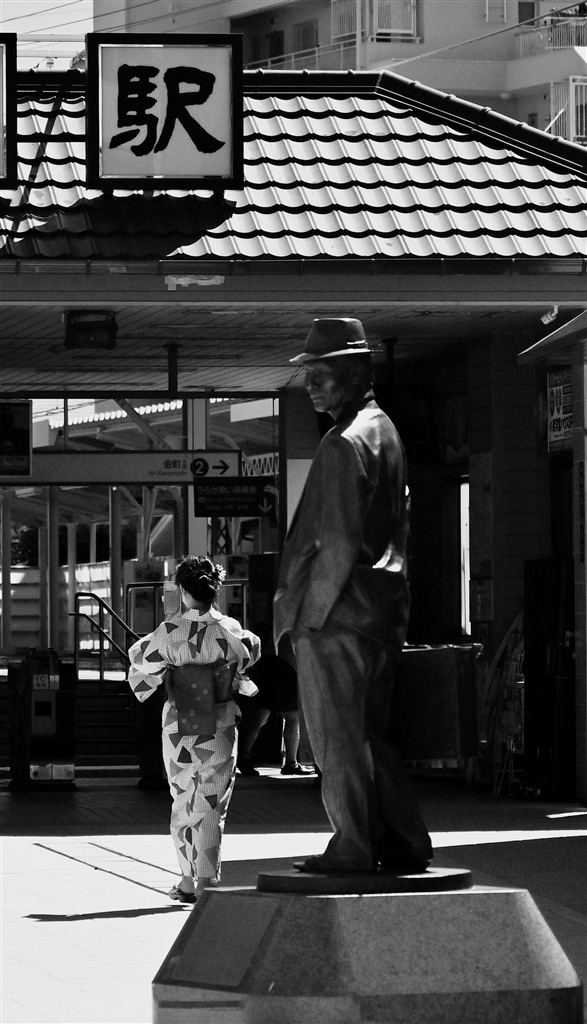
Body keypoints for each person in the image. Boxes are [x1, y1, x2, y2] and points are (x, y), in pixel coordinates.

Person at [273, 318, 433, 874]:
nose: (310, 387)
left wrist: (310, 618)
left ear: (353, 374)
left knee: (336, 737)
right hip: (381, 611)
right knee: (371, 733)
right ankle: (404, 840)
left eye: (320, 376)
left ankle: (353, 845)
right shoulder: (384, 431)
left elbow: (336, 541)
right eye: (308, 377)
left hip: (339, 613)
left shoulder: (343, 442)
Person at [128, 556, 261, 902]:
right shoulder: (231, 630)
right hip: (219, 723)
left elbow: (139, 657)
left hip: (180, 726)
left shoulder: (170, 631)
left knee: (183, 801)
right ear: (215, 591)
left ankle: (188, 880)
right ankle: (206, 881)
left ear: (183, 591)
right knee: (211, 805)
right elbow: (251, 652)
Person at [236, 641, 314, 777]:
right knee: (292, 717)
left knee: (262, 714)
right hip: (286, 663)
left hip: (266, 661)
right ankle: (291, 763)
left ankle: (243, 756)